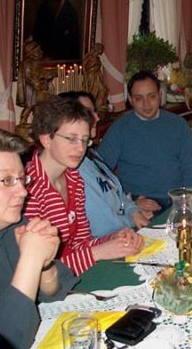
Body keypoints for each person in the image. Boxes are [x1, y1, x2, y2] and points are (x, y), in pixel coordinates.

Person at [0, 126, 77, 348]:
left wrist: (44, 265)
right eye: (6, 181)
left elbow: (56, 289)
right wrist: (31, 259)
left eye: (22, 179)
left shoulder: (11, 225)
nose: (23, 191)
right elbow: (3, 342)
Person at [24, 96, 144, 276]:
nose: (80, 149)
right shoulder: (28, 190)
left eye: (84, 140)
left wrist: (114, 239)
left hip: (78, 272)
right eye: (71, 139)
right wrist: (100, 252)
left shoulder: (73, 179)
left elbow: (80, 243)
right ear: (46, 139)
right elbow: (38, 272)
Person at [59, 91, 159, 238]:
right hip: (110, 239)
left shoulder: (91, 155)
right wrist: (131, 219)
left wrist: (134, 211)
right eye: (88, 112)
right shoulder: (74, 168)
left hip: (127, 224)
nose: (97, 117)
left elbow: (116, 191)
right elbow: (103, 227)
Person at [98, 71, 192, 209]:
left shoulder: (178, 124)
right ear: (130, 99)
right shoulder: (120, 128)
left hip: (176, 198)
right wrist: (128, 202)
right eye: (139, 98)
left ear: (160, 95)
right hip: (139, 201)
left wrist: (185, 199)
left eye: (151, 96)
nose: (146, 104)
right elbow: (100, 172)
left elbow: (191, 166)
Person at [16, 41, 50, 126]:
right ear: (33, 53)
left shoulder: (36, 63)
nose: (41, 52)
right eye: (38, 50)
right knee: (29, 105)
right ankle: (23, 121)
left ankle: (37, 122)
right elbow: (28, 76)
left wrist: (47, 76)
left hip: (36, 89)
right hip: (30, 90)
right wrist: (37, 83)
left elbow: (42, 73)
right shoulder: (28, 63)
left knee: (37, 106)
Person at [82, 43, 108, 112]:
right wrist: (85, 78)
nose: (102, 50)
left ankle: (98, 106)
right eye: (101, 49)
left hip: (97, 76)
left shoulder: (98, 58)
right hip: (91, 76)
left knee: (103, 90)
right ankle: (93, 107)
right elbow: (84, 67)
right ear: (97, 49)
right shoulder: (89, 56)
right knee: (92, 93)